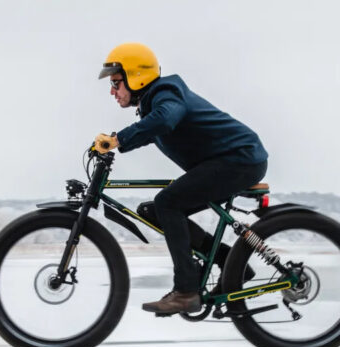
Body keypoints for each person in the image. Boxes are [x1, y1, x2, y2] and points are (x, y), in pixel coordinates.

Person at [95, 42, 268, 315]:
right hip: (232, 161)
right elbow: (150, 130)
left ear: (136, 76)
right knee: (153, 210)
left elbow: (165, 119)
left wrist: (118, 139)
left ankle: (186, 291)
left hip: (241, 159)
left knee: (168, 202)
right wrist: (116, 143)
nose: (112, 91)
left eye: (116, 83)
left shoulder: (166, 93)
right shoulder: (153, 104)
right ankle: (230, 261)